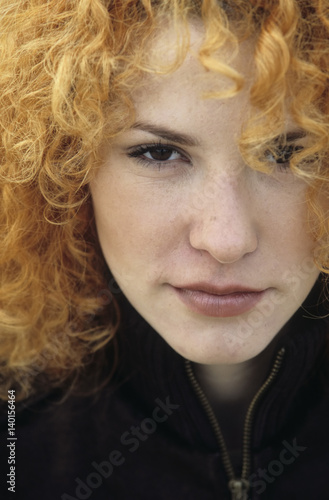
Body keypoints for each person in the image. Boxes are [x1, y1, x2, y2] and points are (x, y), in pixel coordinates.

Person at [0, 0, 328, 498]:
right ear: (66, 163)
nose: (226, 240)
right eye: (159, 153)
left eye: (289, 155)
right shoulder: (15, 437)